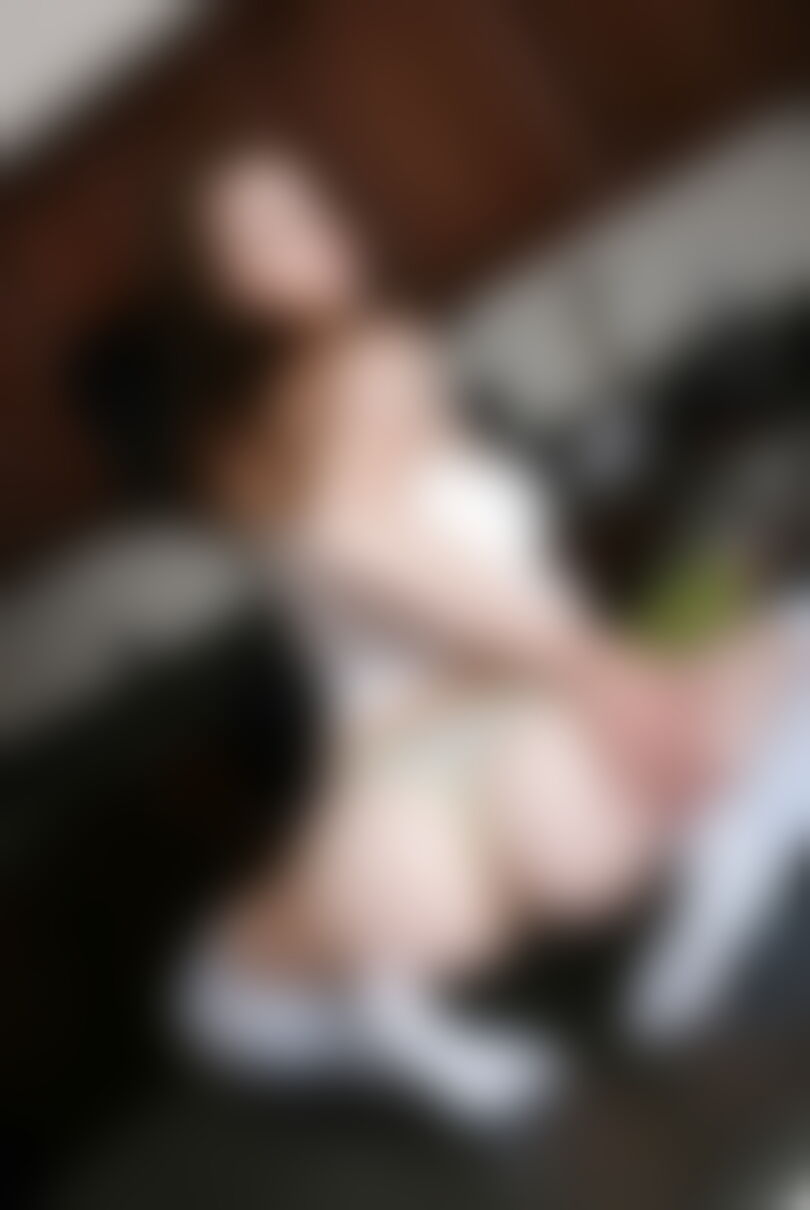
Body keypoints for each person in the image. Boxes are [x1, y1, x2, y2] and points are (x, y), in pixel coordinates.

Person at [88, 148, 805, 1121]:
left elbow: (358, 539)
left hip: (397, 791)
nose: (316, 232)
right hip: (517, 751)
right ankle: (715, 863)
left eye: (310, 206)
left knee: (213, 999)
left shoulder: (249, 440)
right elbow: (350, 532)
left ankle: (396, 1017)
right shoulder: (372, 354)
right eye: (268, 233)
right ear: (218, 286)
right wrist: (600, 665)